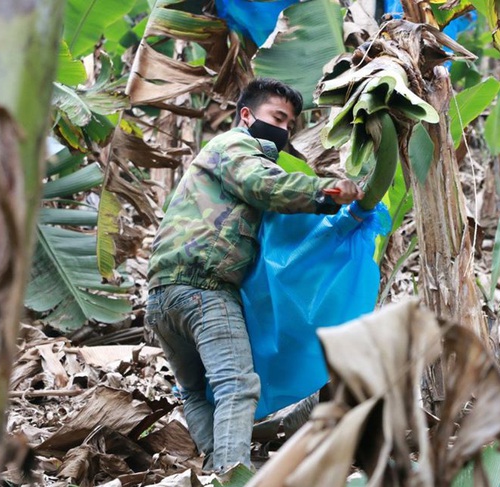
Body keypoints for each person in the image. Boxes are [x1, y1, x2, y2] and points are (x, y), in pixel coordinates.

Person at [144, 78, 364, 474]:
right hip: (203, 290)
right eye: (277, 117)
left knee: (196, 392)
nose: (283, 130)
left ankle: (217, 470)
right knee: (236, 385)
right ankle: (232, 475)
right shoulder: (235, 145)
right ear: (246, 115)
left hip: (161, 295)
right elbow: (263, 184)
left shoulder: (213, 159)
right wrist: (327, 191)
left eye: (290, 124)